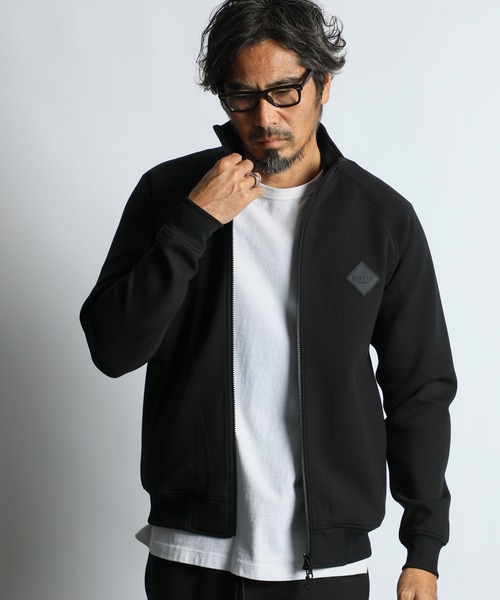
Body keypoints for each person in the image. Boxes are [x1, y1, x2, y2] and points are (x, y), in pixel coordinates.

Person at [80, 1, 456, 598]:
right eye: (242, 96)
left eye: (284, 91)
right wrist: (194, 222)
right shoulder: (169, 195)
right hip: (191, 554)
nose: (264, 117)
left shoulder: (381, 219)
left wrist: (424, 548)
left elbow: (419, 387)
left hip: (325, 567)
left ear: (323, 85)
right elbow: (112, 348)